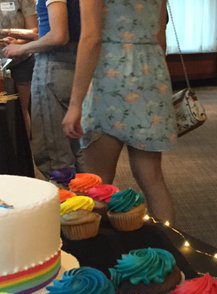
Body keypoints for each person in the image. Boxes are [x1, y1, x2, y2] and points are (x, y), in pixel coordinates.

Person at [62, 0, 177, 223]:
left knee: (97, 182)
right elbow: (160, 35)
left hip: (110, 75)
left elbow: (91, 38)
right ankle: (170, 251)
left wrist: (75, 104)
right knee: (152, 178)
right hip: (150, 74)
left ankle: (99, 252)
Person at [3, 0, 82, 178]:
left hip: (55, 68)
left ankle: (72, 203)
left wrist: (22, 49)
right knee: (80, 150)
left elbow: (59, 36)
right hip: (78, 65)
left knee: (55, 158)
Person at [0, 0, 37, 138]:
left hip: (21, 60)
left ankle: (24, 155)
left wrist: (18, 44)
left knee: (21, 110)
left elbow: (34, 31)